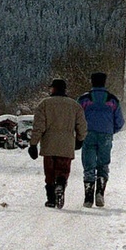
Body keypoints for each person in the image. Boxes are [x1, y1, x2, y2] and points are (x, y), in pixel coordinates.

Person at [27, 78, 87, 209]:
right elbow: (82, 126)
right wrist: (80, 140)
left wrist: (33, 144)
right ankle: (61, 184)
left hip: (49, 145)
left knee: (49, 173)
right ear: (65, 89)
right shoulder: (75, 105)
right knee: (63, 170)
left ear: (53, 89)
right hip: (66, 145)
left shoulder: (44, 104)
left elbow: (38, 126)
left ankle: (51, 199)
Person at [78, 71, 124, 208]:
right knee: (103, 164)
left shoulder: (84, 99)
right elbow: (120, 121)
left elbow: (77, 117)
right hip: (106, 135)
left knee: (89, 165)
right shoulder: (112, 100)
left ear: (92, 82)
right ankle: (100, 193)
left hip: (88, 134)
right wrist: (111, 130)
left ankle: (88, 197)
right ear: (104, 82)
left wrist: (79, 132)